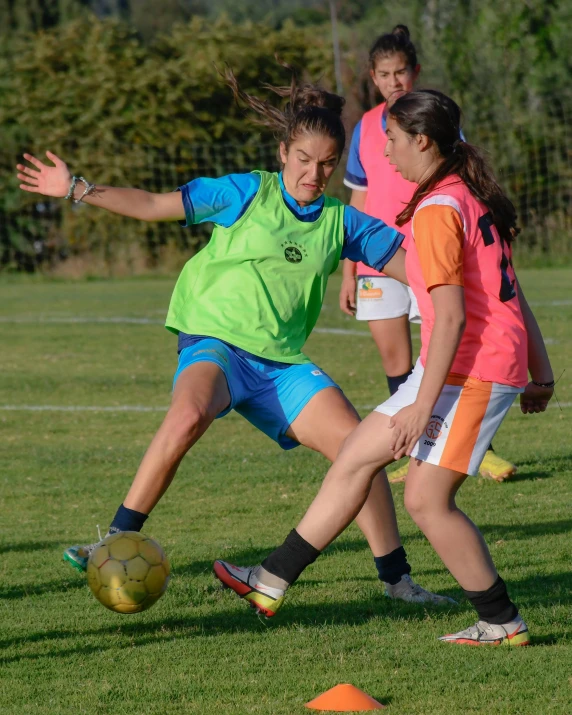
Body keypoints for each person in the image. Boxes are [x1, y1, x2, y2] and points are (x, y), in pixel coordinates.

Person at [17, 69, 453, 606]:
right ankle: (111, 539)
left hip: (282, 364)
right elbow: (155, 205)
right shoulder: (247, 192)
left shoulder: (342, 222)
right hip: (216, 344)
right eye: (303, 160)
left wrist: (466, 292)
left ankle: (397, 582)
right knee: (189, 413)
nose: (313, 174)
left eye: (325, 165)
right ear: (282, 153)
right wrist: (78, 189)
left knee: (358, 451)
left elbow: (421, 274)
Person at [215, 89, 555, 646]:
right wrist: (541, 373)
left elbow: (449, 316)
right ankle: (271, 579)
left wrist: (422, 408)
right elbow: (512, 296)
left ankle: (501, 620)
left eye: (392, 140)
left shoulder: (440, 209)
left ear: (422, 141)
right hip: (466, 365)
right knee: (355, 452)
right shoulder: (465, 193)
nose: (386, 153)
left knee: (425, 500)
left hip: (473, 368)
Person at [340, 25, 516, 483]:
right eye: (384, 74)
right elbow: (357, 199)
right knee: (396, 359)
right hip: (379, 259)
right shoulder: (364, 128)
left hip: (430, 253)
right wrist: (347, 269)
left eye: (401, 72)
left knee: (448, 343)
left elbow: (466, 181)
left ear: (414, 73)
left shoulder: (433, 123)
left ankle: (476, 444)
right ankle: (411, 444)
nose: (394, 81)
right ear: (373, 77)